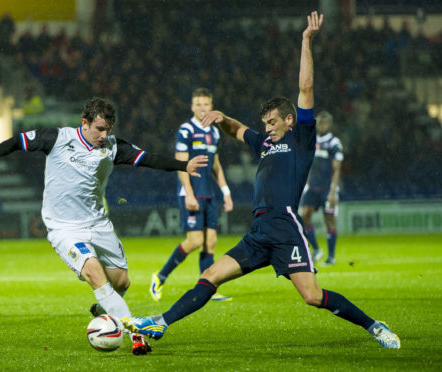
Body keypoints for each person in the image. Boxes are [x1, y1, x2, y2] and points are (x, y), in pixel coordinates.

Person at [121, 12, 400, 350]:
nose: (267, 128)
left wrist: (305, 41)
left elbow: (306, 87)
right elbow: (238, 130)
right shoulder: (265, 144)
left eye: (271, 122)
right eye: (265, 123)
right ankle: (162, 323)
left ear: (288, 119)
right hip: (258, 231)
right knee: (209, 276)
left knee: (311, 296)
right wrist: (222, 118)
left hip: (284, 226)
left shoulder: (301, 139)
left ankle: (374, 326)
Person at [0, 97, 208, 355]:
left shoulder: (112, 146)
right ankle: (136, 336)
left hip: (98, 224)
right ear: (84, 123)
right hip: (64, 228)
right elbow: (17, 140)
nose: (104, 135)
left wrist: (183, 166)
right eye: (100, 129)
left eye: (108, 129)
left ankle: (103, 311)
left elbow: (148, 159)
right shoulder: (57, 137)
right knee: (95, 274)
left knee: (121, 283)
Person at [150, 88, 233, 302]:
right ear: (192, 106)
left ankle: (206, 288)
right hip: (192, 192)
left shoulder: (214, 132)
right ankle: (160, 277)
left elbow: (215, 164)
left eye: (206, 104)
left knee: (210, 242)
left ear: (211, 106)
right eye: (198, 104)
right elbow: (181, 164)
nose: (202, 108)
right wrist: (188, 194)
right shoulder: (186, 130)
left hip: (209, 193)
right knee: (195, 240)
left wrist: (225, 192)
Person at [300, 111, 343, 265]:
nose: (322, 125)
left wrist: (333, 191)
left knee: (329, 219)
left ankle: (331, 257)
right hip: (312, 187)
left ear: (329, 124)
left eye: (325, 122)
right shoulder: (311, 141)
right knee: (304, 216)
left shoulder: (333, 142)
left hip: (327, 188)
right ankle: (317, 250)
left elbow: (337, 168)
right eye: (320, 122)